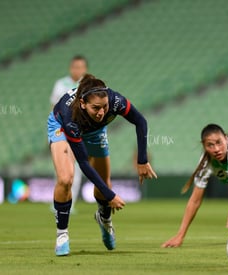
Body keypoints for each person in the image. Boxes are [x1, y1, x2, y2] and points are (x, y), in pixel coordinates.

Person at [48, 73, 157, 256]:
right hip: (61, 128)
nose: (101, 112)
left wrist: (142, 160)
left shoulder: (115, 101)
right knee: (66, 178)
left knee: (104, 183)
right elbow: (83, 162)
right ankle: (62, 235)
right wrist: (111, 196)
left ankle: (104, 218)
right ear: (83, 103)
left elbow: (140, 121)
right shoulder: (70, 116)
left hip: (96, 131)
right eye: (96, 108)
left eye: (104, 107)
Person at [50, 55, 88, 212]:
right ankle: (58, 200)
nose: (77, 70)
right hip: (61, 130)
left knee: (77, 167)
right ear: (70, 68)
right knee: (60, 167)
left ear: (85, 69)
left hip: (80, 131)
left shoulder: (89, 85)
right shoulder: (61, 84)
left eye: (80, 67)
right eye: (75, 66)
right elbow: (53, 107)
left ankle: (69, 202)